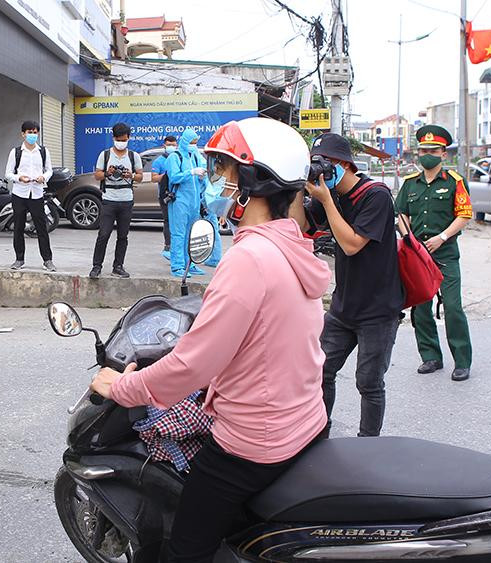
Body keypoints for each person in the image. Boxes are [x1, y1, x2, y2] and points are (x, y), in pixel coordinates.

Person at [90, 117, 332, 561]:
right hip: (306, 421)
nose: (217, 182)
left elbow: (190, 366)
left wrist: (121, 387)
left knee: (185, 549)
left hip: (254, 442)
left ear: (254, 182)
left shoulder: (250, 259)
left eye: (225, 172)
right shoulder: (293, 247)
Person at [300, 133, 404, 437]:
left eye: (327, 164)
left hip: (378, 310)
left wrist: (327, 201)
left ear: (345, 164)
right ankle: (318, 433)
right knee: (320, 371)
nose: (322, 171)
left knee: (369, 383)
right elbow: (302, 224)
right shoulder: (329, 194)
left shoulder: (376, 195)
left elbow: (351, 245)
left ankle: (367, 446)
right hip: (343, 306)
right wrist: (296, 191)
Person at [396, 125, 474, 382]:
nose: (426, 154)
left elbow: (464, 214)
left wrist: (442, 237)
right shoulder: (410, 185)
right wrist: (409, 239)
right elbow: (402, 214)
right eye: (423, 150)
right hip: (418, 255)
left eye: (432, 150)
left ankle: (462, 361)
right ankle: (430, 357)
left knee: (452, 307)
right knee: (420, 308)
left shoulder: (455, 182)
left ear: (443, 154)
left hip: (446, 252)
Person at [91, 122, 143, 278]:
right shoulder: (105, 155)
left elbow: (140, 177)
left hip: (126, 200)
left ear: (129, 138)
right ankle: (96, 266)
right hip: (109, 199)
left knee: (123, 236)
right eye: (119, 139)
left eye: (124, 139)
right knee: (103, 234)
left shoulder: (134, 156)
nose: (121, 142)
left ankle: (118, 266)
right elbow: (97, 175)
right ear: (113, 138)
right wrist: (108, 173)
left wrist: (131, 175)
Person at [6, 121, 55, 272]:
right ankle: (19, 259)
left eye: (35, 132)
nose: (32, 135)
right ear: (23, 134)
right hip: (20, 193)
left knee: (41, 227)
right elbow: (8, 173)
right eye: (29, 132)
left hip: (37, 193)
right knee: (18, 227)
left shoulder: (43, 151)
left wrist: (43, 177)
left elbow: (49, 170)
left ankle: (47, 260)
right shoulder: (16, 152)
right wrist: (19, 178)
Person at [166, 128, 208, 278]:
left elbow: (200, 185)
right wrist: (190, 172)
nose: (194, 145)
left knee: (192, 235)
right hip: (180, 201)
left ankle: (190, 264)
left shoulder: (195, 157)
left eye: (196, 142)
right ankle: (177, 266)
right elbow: (174, 178)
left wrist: (202, 178)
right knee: (178, 234)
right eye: (192, 142)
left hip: (194, 203)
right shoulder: (174, 157)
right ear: (185, 141)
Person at [153, 135, 179, 260]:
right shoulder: (159, 161)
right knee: (168, 221)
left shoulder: (180, 158)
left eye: (173, 145)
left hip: (179, 196)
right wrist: (167, 175)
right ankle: (168, 246)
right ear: (164, 145)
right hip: (165, 196)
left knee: (178, 222)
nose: (171, 147)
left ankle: (179, 247)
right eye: (169, 144)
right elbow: (154, 178)